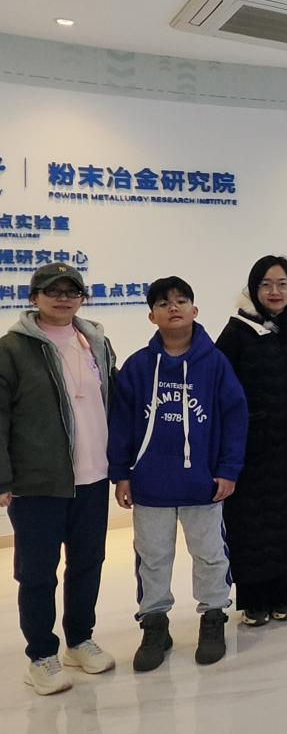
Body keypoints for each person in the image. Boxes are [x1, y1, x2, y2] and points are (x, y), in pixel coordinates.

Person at [108, 276, 247, 671]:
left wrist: (228, 469)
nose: (173, 307)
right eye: (163, 303)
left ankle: (213, 617)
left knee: (210, 554)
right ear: (152, 316)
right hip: (150, 486)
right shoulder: (138, 367)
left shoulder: (215, 364)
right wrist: (121, 473)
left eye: (181, 300)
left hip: (203, 485)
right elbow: (121, 424)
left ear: (194, 310)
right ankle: (154, 624)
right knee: (152, 558)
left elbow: (235, 418)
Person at [0, 264, 116, 695]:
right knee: (37, 573)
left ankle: (79, 640)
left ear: (82, 298)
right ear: (34, 298)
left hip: (93, 477)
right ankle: (41, 656)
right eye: (53, 291)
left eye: (72, 291)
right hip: (38, 481)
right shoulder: (12, 349)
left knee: (88, 563)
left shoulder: (96, 342)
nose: (63, 298)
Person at [215, 255, 287, 627]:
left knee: (286, 517)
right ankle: (253, 600)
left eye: (283, 284)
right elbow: (220, 391)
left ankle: (282, 594)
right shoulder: (237, 332)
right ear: (254, 289)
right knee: (250, 521)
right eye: (266, 284)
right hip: (248, 447)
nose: (275, 291)